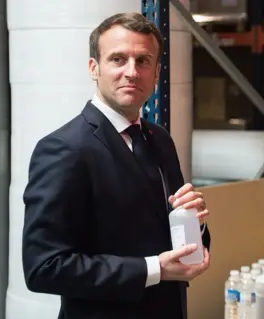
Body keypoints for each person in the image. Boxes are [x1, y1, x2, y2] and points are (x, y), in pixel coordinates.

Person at [22, 12, 211, 318]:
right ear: (93, 68)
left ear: (157, 72)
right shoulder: (64, 149)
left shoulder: (160, 139)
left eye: (143, 61)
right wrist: (154, 269)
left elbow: (168, 233)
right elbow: (44, 267)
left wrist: (194, 222)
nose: (132, 72)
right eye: (118, 59)